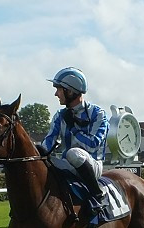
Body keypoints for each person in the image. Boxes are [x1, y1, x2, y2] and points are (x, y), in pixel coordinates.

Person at [41, 67, 109, 219]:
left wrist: (73, 128)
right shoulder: (60, 115)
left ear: (70, 91)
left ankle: (97, 193)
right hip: (67, 165)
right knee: (44, 161)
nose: (56, 94)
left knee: (74, 153)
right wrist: (38, 152)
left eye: (59, 89)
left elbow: (93, 144)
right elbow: (49, 141)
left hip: (92, 165)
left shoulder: (98, 114)